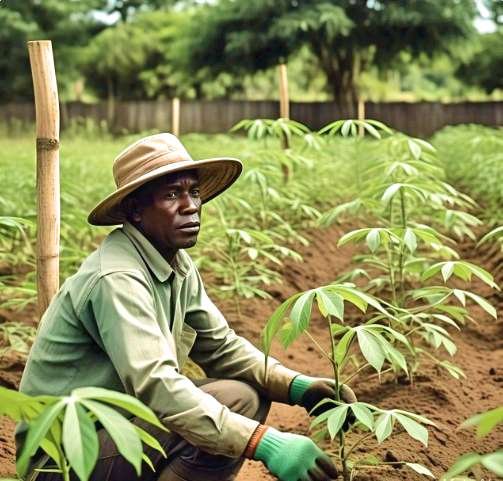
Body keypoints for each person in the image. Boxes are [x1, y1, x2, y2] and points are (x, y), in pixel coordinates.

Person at [17, 133, 356, 481]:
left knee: (243, 396)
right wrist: (264, 442)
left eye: (193, 192)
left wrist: (298, 386)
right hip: (59, 457)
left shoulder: (173, 261)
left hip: (114, 428)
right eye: (170, 195)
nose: (190, 205)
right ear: (135, 210)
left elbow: (221, 346)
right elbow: (158, 384)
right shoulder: (116, 277)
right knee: (221, 413)